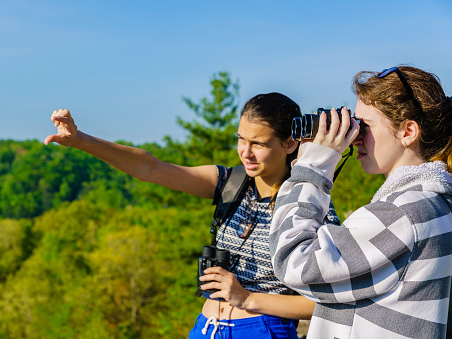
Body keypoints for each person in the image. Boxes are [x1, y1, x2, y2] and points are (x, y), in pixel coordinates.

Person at [45, 92, 334, 338]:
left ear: (290, 144)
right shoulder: (229, 183)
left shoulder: (310, 206)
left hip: (263, 329)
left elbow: (330, 300)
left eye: (258, 144)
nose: (245, 152)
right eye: (241, 139)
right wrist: (79, 140)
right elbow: (150, 168)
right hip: (206, 327)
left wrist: (247, 299)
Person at [269, 65, 452, 338]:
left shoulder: (403, 214)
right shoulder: (436, 203)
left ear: (408, 132)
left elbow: (293, 262)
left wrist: (313, 166)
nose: (354, 138)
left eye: (364, 126)